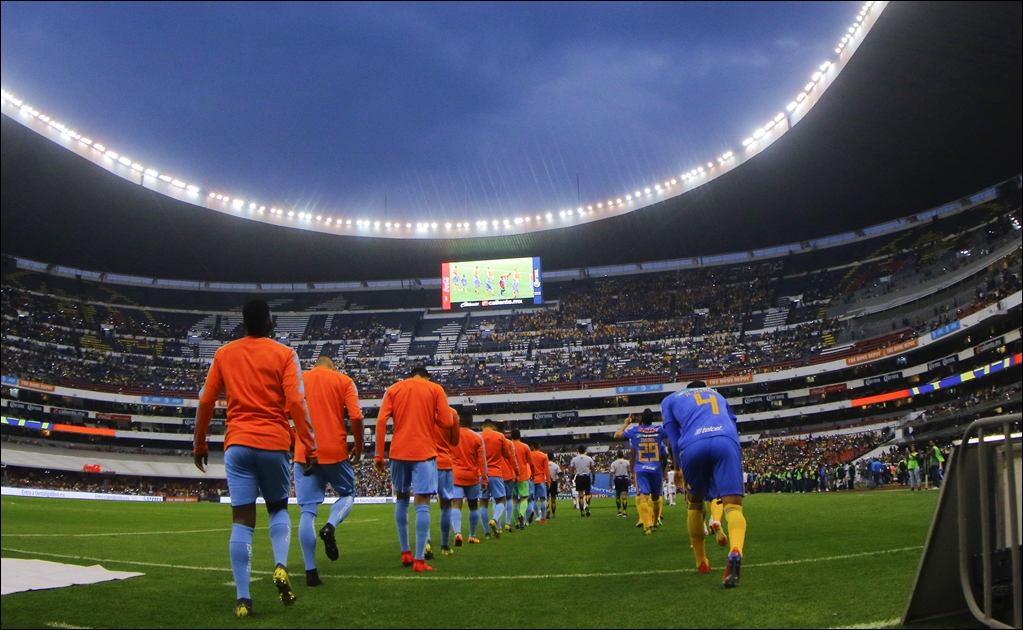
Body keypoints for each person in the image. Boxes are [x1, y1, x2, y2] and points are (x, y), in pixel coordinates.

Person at [193, 300, 318, 617]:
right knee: (277, 508)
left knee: (242, 520)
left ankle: (243, 599)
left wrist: (199, 443)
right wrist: (309, 445)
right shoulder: (285, 355)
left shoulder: (224, 354)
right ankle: (279, 565)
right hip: (274, 442)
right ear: (270, 323)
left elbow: (206, 399)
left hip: (237, 444)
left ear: (244, 325)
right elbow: (295, 401)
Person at [662, 381, 746, 588]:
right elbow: (733, 425)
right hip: (725, 439)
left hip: (692, 444)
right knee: (733, 506)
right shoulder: (719, 395)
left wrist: (679, 467)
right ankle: (736, 550)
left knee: (695, 503)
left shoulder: (670, 399)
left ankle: (702, 563)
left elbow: (674, 439)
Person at [374, 365, 457, 573]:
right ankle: (419, 561)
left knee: (401, 498)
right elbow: (447, 422)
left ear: (410, 376)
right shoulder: (435, 389)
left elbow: (381, 420)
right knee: (423, 502)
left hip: (397, 452)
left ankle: (405, 552)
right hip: (424, 452)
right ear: (427, 378)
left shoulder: (394, 389)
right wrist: (431, 417)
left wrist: (378, 454)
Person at [294, 356, 363, 587]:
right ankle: (330, 526)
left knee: (307, 510)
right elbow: (355, 415)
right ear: (333, 367)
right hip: (335, 451)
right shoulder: (343, 381)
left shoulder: (299, 380)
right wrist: (359, 445)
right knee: (348, 494)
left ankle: (310, 571)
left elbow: (284, 412)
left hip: (304, 453)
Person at [615, 409, 669, 535]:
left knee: (643, 496)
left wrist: (626, 423)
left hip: (641, 468)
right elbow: (672, 433)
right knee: (655, 497)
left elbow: (617, 435)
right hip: (656, 468)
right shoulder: (658, 430)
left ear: (642, 420)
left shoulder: (636, 431)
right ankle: (655, 521)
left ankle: (646, 526)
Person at [451, 410, 488, 545]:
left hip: (456, 475)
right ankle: (472, 536)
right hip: (472, 476)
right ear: (471, 422)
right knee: (473, 506)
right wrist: (484, 479)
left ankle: (457, 533)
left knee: (456, 505)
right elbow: (482, 461)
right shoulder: (477, 438)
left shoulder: (452, 436)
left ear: (459, 422)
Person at [431, 407, 461, 557]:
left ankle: (426, 543)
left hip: (425, 461)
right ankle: (444, 546)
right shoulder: (451, 413)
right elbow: (455, 441)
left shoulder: (423, 410)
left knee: (422, 503)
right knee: (446, 504)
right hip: (444, 462)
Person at [479, 418, 514, 538]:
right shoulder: (499, 436)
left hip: (482, 473)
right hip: (496, 473)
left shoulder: (478, 437)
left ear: (482, 427)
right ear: (493, 426)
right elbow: (507, 454)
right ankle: (494, 519)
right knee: (501, 500)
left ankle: (487, 533)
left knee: (483, 503)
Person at [510, 429, 533, 529]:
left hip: (512, 476)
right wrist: (533, 474)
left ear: (511, 436)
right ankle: (521, 515)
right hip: (523, 476)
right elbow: (531, 462)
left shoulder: (508, 446)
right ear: (520, 436)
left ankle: (516, 523)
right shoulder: (525, 447)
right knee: (524, 498)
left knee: (514, 499)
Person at [569, 446, 595, 517]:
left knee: (580, 495)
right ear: (584, 450)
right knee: (587, 494)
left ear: (578, 451)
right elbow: (593, 469)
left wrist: (571, 479)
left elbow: (571, 470)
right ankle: (587, 505)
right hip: (586, 477)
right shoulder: (589, 458)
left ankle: (582, 511)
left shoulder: (574, 459)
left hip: (579, 477)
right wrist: (593, 478)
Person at [529, 445, 551, 524]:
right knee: (542, 499)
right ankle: (542, 518)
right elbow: (546, 470)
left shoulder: (529, 455)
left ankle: (536, 515)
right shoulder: (543, 456)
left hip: (531, 479)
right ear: (540, 447)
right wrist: (548, 481)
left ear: (533, 447)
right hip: (541, 480)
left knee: (533, 499)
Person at [609, 450, 631, 518]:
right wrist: (630, 480)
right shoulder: (627, 462)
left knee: (618, 495)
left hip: (617, 479)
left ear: (617, 455)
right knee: (624, 496)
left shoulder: (614, 463)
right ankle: (624, 511)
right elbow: (629, 472)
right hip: (624, 479)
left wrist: (610, 483)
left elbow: (611, 474)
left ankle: (619, 511)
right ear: (623, 455)